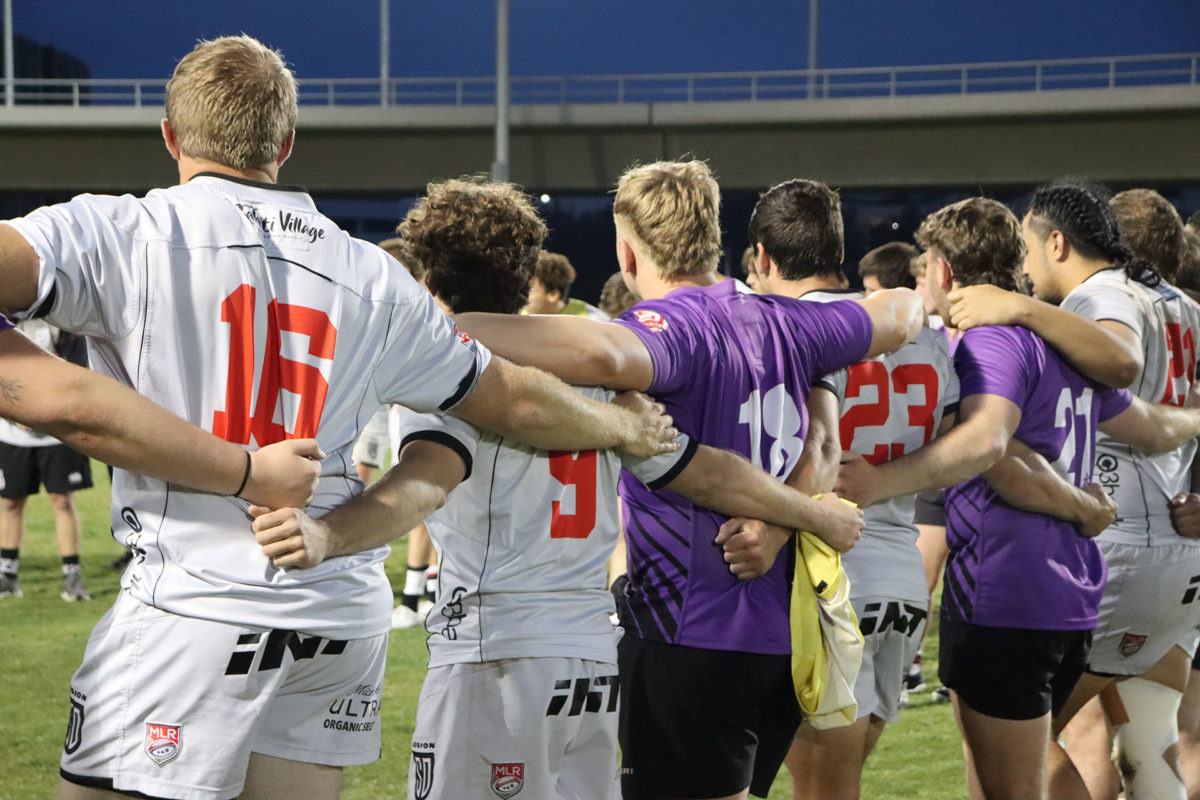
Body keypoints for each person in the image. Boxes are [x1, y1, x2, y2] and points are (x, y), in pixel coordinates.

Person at [0, 36, 675, 800]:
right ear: (285, 145)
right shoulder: (372, 274)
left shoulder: (122, 233)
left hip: (194, 603)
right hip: (338, 613)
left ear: (169, 135)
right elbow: (512, 399)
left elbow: (59, 396)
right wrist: (623, 428)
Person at [251, 176, 883, 800]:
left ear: (428, 280)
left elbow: (427, 483)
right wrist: (803, 516)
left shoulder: (453, 372)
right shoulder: (606, 380)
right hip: (592, 655)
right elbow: (706, 468)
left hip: (496, 653)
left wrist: (326, 533)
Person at [453, 161, 928, 800]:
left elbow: (604, 355)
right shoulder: (795, 322)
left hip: (689, 631)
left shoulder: (674, 327)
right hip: (781, 639)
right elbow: (902, 311)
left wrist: (431, 324)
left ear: (627, 249)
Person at [839, 195, 1200, 800]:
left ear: (945, 272)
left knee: (1013, 783)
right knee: (1076, 749)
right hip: (1074, 592)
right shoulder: (1062, 344)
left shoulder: (988, 344)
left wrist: (882, 482)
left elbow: (990, 446)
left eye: (927, 265)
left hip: (1006, 590)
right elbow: (1153, 425)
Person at [947, 184, 1200, 800]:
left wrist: (1021, 308)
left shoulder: (1097, 296)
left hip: (1113, 535)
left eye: (1032, 250)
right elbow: (1170, 414)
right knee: (1149, 735)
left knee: (1024, 744)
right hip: (1176, 548)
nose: (1027, 271)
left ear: (1056, 242)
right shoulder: (1182, 304)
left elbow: (1119, 362)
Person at [725, 179, 959, 800]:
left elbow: (807, 453)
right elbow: (961, 444)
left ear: (764, 258)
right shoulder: (923, 335)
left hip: (824, 574)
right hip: (902, 580)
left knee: (817, 788)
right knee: (836, 780)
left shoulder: (783, 329)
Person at [0, 319, 95, 601]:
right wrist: (13, 414)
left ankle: (72, 577)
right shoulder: (5, 320)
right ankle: (7, 575)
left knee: (62, 500)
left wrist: (46, 413)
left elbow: (77, 374)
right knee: (10, 502)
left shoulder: (59, 320)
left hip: (57, 433)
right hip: (12, 432)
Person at [526, 250, 609, 319]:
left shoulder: (592, 320)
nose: (522, 294)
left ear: (553, 295)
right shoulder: (517, 315)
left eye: (531, 289)